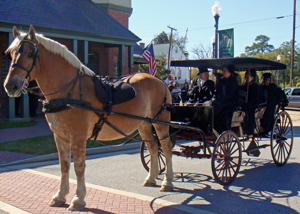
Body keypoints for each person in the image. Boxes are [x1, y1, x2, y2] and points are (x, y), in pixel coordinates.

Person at [213, 64, 239, 133]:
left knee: (224, 112)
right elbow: (218, 92)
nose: (223, 72)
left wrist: (221, 99)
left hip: (229, 103)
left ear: (229, 72)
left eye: (225, 71)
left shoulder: (233, 82)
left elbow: (231, 94)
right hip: (221, 101)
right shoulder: (221, 81)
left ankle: (224, 129)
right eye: (223, 71)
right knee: (213, 105)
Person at [240, 69, 262, 135]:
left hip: (253, 104)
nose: (246, 78)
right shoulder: (244, 87)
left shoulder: (256, 87)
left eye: (248, 76)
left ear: (252, 78)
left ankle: (251, 128)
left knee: (249, 109)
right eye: (246, 76)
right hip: (244, 104)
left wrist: (249, 103)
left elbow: (255, 98)